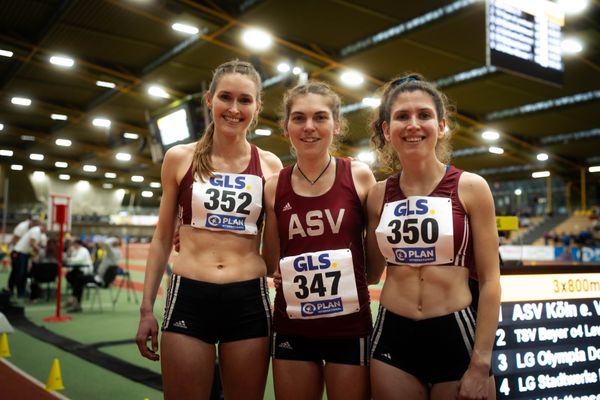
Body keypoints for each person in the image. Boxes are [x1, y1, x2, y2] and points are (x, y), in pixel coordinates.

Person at [135, 60, 282, 400]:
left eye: (245, 100)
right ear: (209, 99)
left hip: (248, 299)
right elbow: (160, 239)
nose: (234, 108)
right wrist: (146, 311)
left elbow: (275, 245)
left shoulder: (271, 166)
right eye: (225, 97)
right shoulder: (179, 158)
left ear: (257, 107)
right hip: (189, 295)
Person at [366, 74, 501, 399]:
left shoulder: (471, 187)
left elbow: (490, 280)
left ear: (441, 126)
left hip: (455, 334)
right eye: (402, 116)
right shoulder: (377, 195)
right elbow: (369, 272)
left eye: (424, 115)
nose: (413, 124)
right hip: (392, 337)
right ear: (387, 130)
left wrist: (481, 362)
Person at [262, 82, 375, 400]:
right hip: (293, 326)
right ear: (286, 128)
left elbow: (377, 260)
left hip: (350, 327)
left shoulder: (359, 176)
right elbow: (270, 261)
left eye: (320, 117)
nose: (309, 127)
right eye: (298, 118)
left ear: (337, 125)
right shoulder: (274, 186)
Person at [10, 220, 47, 301]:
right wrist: (41, 252)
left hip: (24, 253)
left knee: (21, 273)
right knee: (21, 273)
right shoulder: (36, 230)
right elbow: (32, 243)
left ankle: (17, 291)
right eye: (47, 229)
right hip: (20, 253)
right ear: (44, 226)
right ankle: (20, 293)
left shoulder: (38, 232)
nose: (46, 231)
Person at [64, 239, 94, 312]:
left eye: (73, 244)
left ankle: (74, 300)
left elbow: (77, 261)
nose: (72, 246)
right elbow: (68, 259)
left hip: (85, 271)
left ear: (77, 244)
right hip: (78, 271)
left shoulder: (83, 250)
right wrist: (69, 253)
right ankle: (74, 299)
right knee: (69, 276)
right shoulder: (75, 251)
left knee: (77, 280)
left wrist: (70, 259)